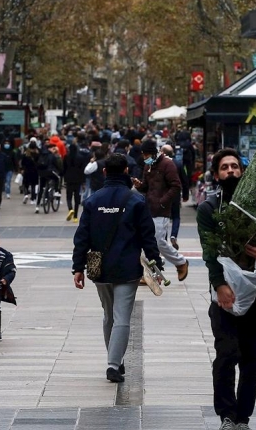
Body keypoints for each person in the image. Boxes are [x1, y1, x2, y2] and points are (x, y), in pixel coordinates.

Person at [196, 148, 256, 430]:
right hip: (225, 296)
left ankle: (242, 418)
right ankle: (226, 415)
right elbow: (209, 253)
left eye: (235, 166)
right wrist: (220, 285)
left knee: (252, 359)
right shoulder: (209, 209)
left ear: (243, 171)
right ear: (216, 175)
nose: (231, 171)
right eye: (224, 167)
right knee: (226, 354)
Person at [71, 153, 162, 383]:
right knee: (122, 317)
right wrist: (155, 265)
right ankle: (113, 364)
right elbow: (148, 237)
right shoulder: (136, 201)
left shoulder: (92, 201)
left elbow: (82, 236)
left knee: (108, 315)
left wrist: (77, 267)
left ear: (104, 172)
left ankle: (115, 360)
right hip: (127, 267)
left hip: (99, 268)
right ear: (126, 172)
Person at [133, 139, 189, 282]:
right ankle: (151, 274)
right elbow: (147, 186)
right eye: (143, 155)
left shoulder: (167, 164)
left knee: (158, 242)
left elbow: (176, 186)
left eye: (146, 155)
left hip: (161, 210)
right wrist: (139, 186)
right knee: (147, 242)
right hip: (148, 208)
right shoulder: (148, 166)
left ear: (153, 153)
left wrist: (163, 201)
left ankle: (180, 262)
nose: (144, 158)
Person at [160, 144, 189, 250]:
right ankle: (174, 235)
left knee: (165, 216)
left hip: (163, 194)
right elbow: (184, 180)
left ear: (163, 152)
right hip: (175, 194)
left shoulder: (160, 164)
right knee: (176, 215)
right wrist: (185, 194)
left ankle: (165, 237)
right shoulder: (178, 163)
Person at [64, 135, 91, 222]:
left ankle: (70, 209)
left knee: (68, 196)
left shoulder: (66, 157)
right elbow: (83, 170)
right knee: (77, 197)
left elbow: (63, 169)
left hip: (69, 179)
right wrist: (83, 182)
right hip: (78, 179)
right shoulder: (80, 158)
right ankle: (75, 217)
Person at [35, 143, 61, 214]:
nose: (54, 150)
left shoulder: (41, 154)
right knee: (57, 178)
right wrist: (60, 171)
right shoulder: (52, 156)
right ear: (50, 148)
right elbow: (57, 165)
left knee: (41, 188)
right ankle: (56, 191)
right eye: (53, 148)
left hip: (42, 173)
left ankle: (37, 206)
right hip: (50, 172)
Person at [21, 139, 40, 203]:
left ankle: (26, 194)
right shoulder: (37, 154)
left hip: (27, 171)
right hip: (35, 171)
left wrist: (22, 169)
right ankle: (33, 198)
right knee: (33, 185)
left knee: (25, 184)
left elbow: (22, 162)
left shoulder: (26, 154)